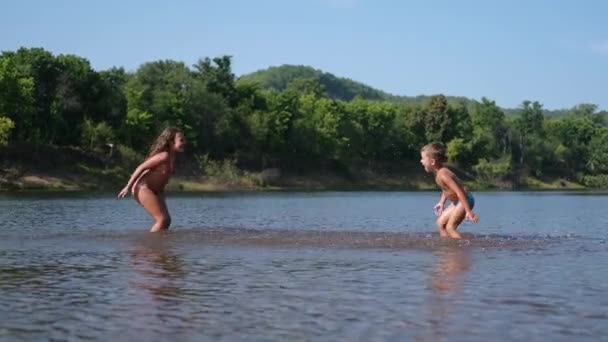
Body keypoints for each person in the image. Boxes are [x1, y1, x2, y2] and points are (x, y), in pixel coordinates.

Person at [118, 127, 186, 232]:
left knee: (167, 221)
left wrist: (161, 194)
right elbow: (141, 168)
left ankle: (159, 245)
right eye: (181, 140)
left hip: (155, 191)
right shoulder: (164, 156)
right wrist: (128, 186)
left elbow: (162, 178)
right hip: (142, 188)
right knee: (163, 219)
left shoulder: (172, 157)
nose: (184, 142)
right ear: (171, 142)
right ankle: (151, 244)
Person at [420, 142, 478, 239]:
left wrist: (468, 211)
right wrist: (441, 203)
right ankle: (448, 247)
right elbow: (446, 189)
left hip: (465, 200)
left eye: (423, 159)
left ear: (432, 162)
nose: (421, 161)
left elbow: (459, 192)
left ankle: (464, 247)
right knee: (440, 224)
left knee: (450, 228)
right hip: (457, 202)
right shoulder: (438, 173)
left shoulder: (443, 174)